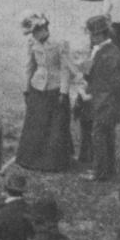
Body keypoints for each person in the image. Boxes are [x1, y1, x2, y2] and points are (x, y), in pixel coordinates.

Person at [75, 15, 120, 182]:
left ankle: (100, 172)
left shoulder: (110, 54)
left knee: (99, 135)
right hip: (104, 100)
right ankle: (109, 169)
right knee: (107, 135)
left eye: (93, 35)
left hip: (106, 102)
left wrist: (91, 93)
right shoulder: (103, 50)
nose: (91, 38)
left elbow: (113, 83)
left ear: (101, 35)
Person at [17, 14, 74, 173]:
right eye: (32, 33)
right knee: (36, 123)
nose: (34, 35)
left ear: (44, 28)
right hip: (38, 86)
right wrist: (26, 89)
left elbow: (65, 68)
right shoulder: (32, 43)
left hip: (55, 88)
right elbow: (29, 66)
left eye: (37, 31)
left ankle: (53, 162)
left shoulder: (59, 43)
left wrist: (63, 92)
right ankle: (32, 159)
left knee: (56, 125)